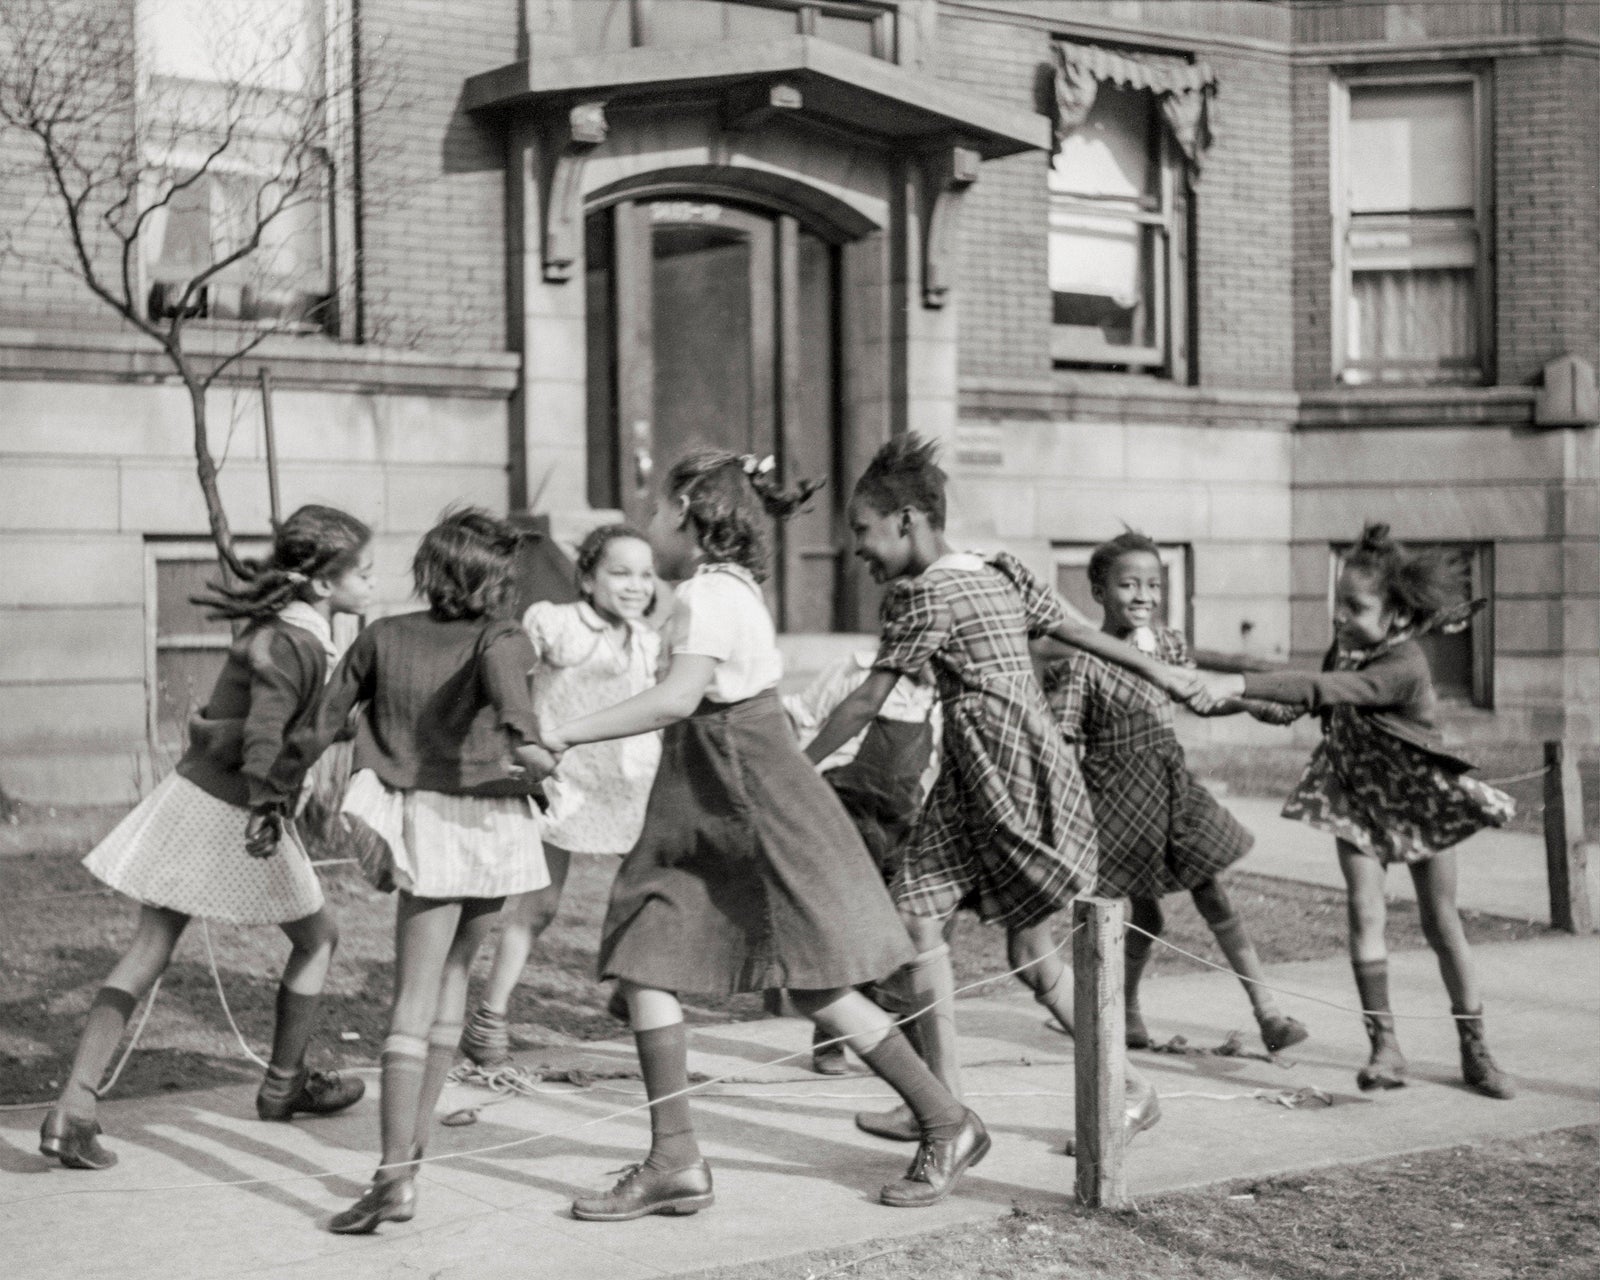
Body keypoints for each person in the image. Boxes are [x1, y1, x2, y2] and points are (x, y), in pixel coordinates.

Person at [541, 449, 988, 1220]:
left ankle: (946, 1121)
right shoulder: (717, 590)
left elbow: (678, 700)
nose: (649, 529)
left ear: (688, 510)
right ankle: (676, 1159)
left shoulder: (711, 594)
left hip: (745, 800)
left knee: (802, 976)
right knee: (656, 961)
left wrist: (562, 732)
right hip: (713, 800)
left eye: (654, 512)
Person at [804, 434, 1198, 1149]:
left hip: (1010, 774)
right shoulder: (998, 568)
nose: (857, 550)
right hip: (976, 772)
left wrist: (801, 769)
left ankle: (1130, 1092)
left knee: (1019, 947)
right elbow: (1077, 630)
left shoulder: (923, 597)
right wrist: (1160, 671)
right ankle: (943, 1107)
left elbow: (865, 702)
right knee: (930, 925)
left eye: (863, 532)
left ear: (909, 520)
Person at [39, 505, 375, 1171]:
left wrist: (333, 725)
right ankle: (284, 1085)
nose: (371, 583)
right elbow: (266, 732)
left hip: (200, 800)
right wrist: (268, 803)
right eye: (362, 573)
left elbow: (271, 722)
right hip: (240, 810)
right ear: (320, 585)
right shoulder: (293, 641)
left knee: (150, 948)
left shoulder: (285, 632)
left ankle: (72, 1109)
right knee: (319, 937)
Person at [300, 508, 559, 1234]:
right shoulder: (502, 635)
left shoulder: (382, 635)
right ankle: (408, 1164)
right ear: (495, 577)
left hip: (433, 823)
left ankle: (392, 1178)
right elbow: (513, 703)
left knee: (411, 998)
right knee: (452, 983)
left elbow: (324, 720)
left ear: (430, 572)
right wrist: (534, 748)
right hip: (498, 825)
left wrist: (272, 781)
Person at [1192, 523, 1515, 1099]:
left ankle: (1475, 1046)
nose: (1339, 615)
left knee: (1442, 925)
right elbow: (1317, 698)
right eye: (1336, 601)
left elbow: (1330, 689)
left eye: (1355, 606)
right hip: (1357, 795)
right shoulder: (1348, 647)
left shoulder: (1405, 664)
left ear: (1397, 615)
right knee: (1364, 915)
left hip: (1418, 800)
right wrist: (1239, 697)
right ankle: (1384, 1047)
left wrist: (1240, 678)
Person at [1038, 529, 1308, 1054]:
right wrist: (1061, 813)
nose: (1143, 596)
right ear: (1097, 592)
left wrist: (1258, 707)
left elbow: (1203, 699)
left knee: (1212, 893)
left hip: (1171, 789)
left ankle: (1269, 1014)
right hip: (1116, 803)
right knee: (1140, 916)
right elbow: (1061, 737)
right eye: (1128, 585)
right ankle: (1124, 1017)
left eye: (1153, 585)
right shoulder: (1082, 661)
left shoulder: (1168, 645)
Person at [461, 524, 663, 1068]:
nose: (635, 585)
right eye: (620, 573)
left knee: (651, 894)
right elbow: (509, 669)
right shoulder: (557, 622)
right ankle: (490, 1018)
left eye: (646, 574)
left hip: (631, 786)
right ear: (587, 577)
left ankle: (635, 986)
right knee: (540, 906)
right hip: (564, 784)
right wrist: (518, 740)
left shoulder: (649, 639)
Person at [783, 649, 940, 1073]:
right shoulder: (855, 670)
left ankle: (901, 1030)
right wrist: (798, 772)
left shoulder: (943, 691)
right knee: (845, 924)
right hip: (845, 811)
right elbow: (799, 713)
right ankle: (830, 1034)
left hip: (904, 819)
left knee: (902, 927)